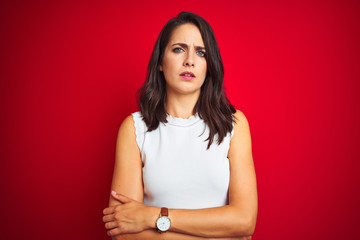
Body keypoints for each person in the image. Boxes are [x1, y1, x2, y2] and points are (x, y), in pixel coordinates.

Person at [102, 12, 258, 240]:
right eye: (178, 49)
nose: (190, 61)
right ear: (160, 63)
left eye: (201, 52)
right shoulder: (135, 128)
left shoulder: (233, 124)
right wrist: (223, 234)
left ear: (209, 65)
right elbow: (123, 232)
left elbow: (244, 222)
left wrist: (152, 217)